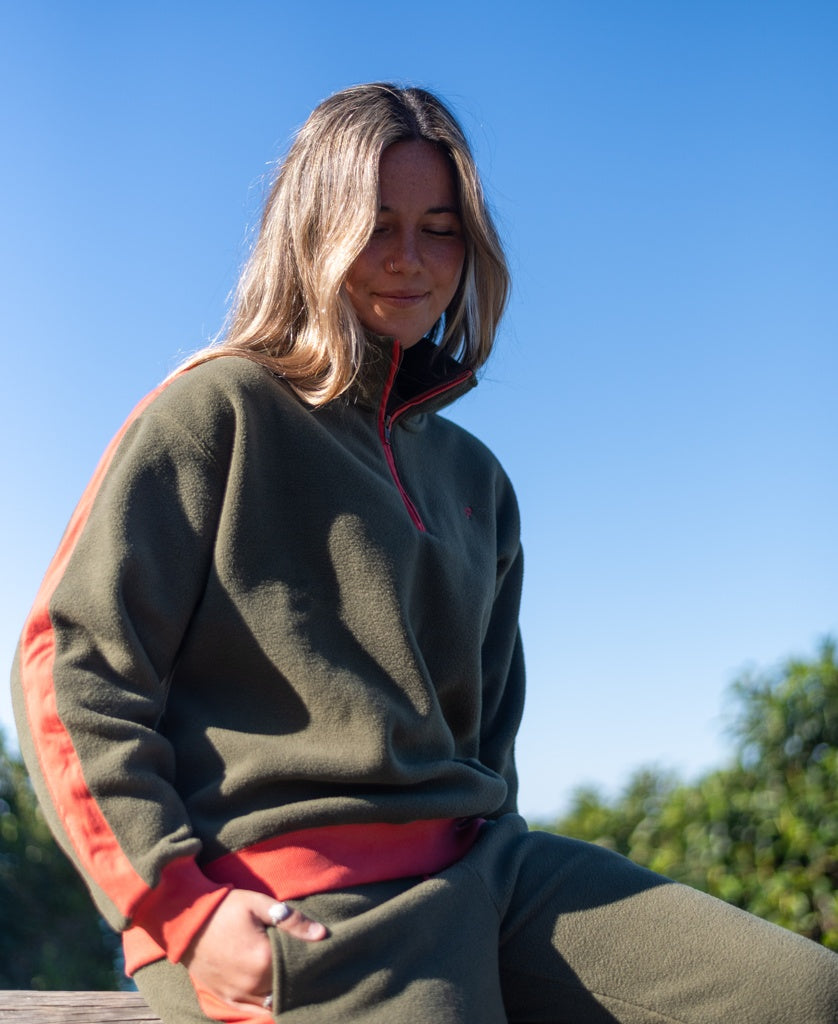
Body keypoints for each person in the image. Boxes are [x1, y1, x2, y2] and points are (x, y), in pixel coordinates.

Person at [11, 82, 838, 1024]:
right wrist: (178, 907)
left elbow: (490, 731)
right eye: (376, 225)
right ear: (312, 234)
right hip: (296, 893)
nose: (410, 261)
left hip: (485, 870)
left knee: (801, 996)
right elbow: (68, 667)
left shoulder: (475, 478)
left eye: (440, 229)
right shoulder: (219, 411)